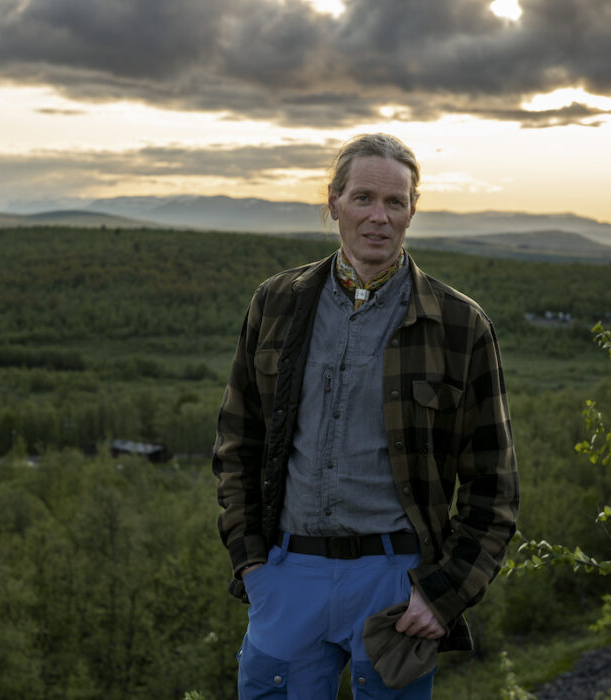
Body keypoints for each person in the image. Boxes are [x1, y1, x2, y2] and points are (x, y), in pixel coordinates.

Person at [213, 133, 519, 699]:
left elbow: (493, 487)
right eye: (363, 199)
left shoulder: (459, 325)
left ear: (412, 211)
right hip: (288, 574)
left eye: (395, 202)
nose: (379, 217)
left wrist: (444, 594)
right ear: (333, 203)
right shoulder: (276, 303)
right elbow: (238, 443)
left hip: (395, 585)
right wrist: (253, 567)